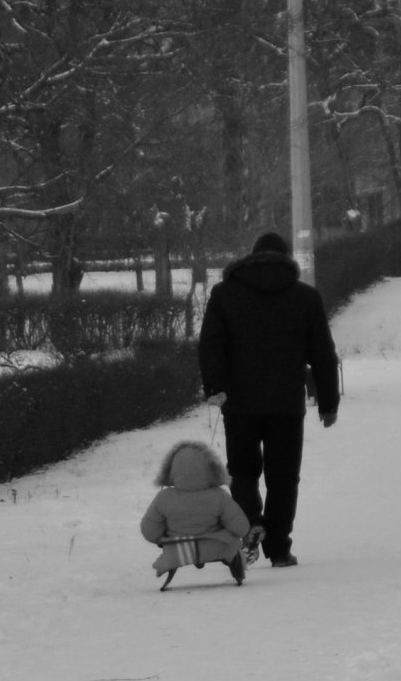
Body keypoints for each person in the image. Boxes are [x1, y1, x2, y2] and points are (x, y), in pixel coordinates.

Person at [198, 231, 340, 568]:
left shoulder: (224, 294)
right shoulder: (305, 297)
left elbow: (211, 345)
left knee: (243, 470)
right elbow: (322, 353)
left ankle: (251, 524)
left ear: (251, 257)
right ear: (287, 257)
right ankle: (278, 548)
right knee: (283, 476)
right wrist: (328, 402)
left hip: (240, 401)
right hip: (286, 404)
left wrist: (216, 386)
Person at [140, 441, 250, 585]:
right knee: (231, 545)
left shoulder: (164, 497)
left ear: (172, 470)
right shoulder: (218, 496)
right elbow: (241, 528)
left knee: (174, 546)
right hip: (217, 548)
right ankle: (236, 568)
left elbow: (149, 531)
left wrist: (162, 538)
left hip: (177, 552)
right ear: (211, 468)